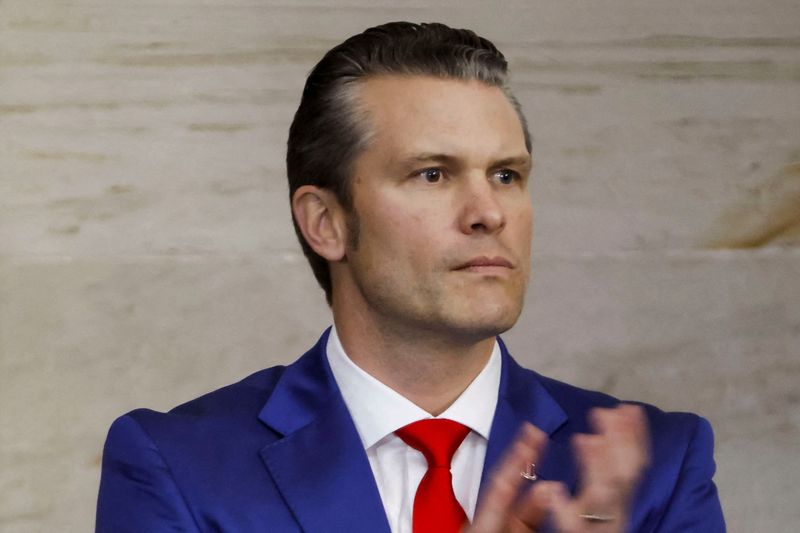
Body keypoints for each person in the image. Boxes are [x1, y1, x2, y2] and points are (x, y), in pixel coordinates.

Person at [96, 22, 725, 532]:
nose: (488, 213)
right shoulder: (180, 466)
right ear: (326, 222)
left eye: (506, 175)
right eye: (433, 174)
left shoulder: (657, 466)